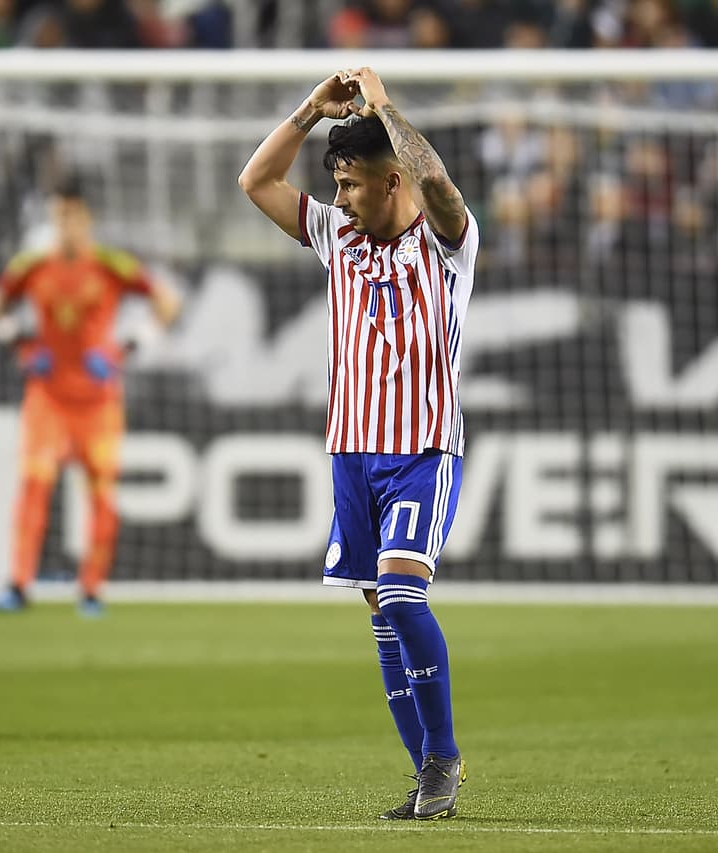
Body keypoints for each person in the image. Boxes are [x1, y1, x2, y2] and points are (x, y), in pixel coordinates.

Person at [239, 68, 477, 820]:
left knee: (403, 592)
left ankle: (443, 756)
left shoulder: (446, 243)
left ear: (390, 180)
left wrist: (383, 106)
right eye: (335, 185)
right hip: (352, 453)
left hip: (422, 450)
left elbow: (436, 182)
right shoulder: (335, 237)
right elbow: (256, 180)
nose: (339, 198)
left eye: (349, 184)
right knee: (381, 615)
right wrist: (313, 109)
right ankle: (427, 775)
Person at [0, 177, 180, 616]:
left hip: (98, 400)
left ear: (87, 219)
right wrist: (20, 341)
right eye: (59, 216)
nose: (66, 225)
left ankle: (92, 590)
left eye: (73, 216)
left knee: (101, 496)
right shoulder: (33, 265)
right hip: (48, 398)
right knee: (34, 487)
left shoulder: (111, 264)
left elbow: (168, 303)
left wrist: (126, 347)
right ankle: (19, 584)